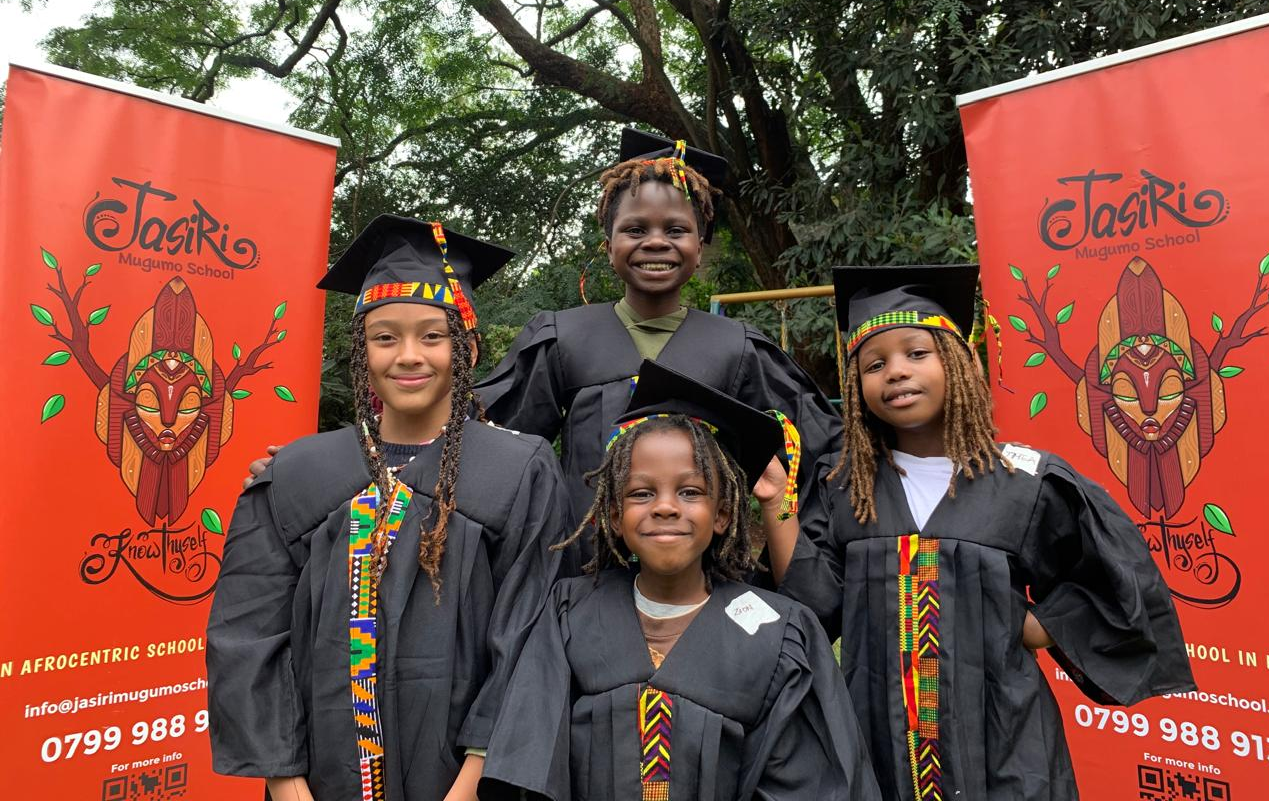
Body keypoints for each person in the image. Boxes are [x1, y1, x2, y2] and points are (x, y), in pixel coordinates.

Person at [764, 264, 1195, 801]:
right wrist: (776, 506)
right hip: (877, 735)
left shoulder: (1023, 482)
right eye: (875, 364)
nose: (896, 372)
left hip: (1004, 737)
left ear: (961, 363)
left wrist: (1037, 625)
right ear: (856, 387)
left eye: (917, 353)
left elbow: (1116, 578)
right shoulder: (848, 488)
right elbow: (816, 606)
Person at [207, 215, 574, 801]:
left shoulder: (516, 471)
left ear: (468, 345)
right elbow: (248, 634)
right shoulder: (300, 475)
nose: (409, 356)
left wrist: (474, 783)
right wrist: (284, 780)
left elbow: (532, 636)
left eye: (433, 335)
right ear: (360, 350)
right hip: (318, 779)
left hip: (468, 781)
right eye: (385, 337)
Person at [478, 359, 879, 801]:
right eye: (641, 493)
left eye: (690, 492)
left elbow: (807, 783)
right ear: (614, 513)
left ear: (724, 513)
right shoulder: (568, 615)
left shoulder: (779, 635)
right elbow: (530, 765)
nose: (665, 507)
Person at [474, 129, 842, 557]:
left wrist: (787, 550)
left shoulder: (739, 349)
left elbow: (819, 453)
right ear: (609, 246)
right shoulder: (562, 338)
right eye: (634, 228)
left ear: (699, 247)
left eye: (676, 229)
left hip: (705, 581)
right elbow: (496, 442)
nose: (655, 241)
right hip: (581, 576)